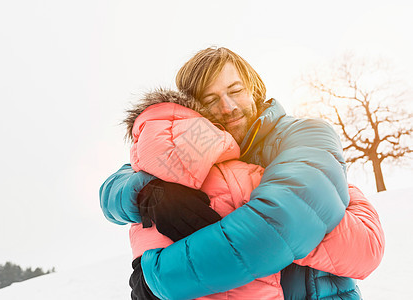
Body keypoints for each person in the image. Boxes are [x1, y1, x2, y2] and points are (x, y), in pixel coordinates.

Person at [100, 47, 385, 299]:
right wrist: (146, 190)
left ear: (254, 89)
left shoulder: (305, 134)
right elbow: (113, 188)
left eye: (235, 90)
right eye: (210, 99)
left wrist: (157, 280)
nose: (228, 107)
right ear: (192, 108)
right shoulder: (197, 152)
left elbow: (281, 224)